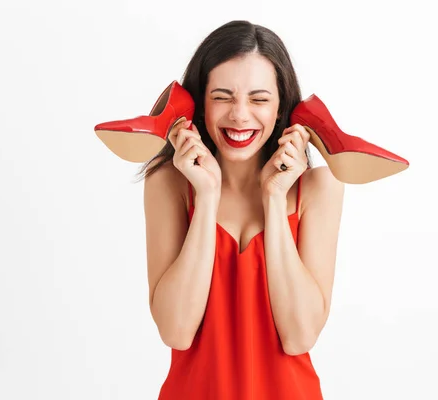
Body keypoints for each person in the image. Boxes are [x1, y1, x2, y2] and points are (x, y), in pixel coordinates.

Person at [138, 20, 344, 399]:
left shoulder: (318, 188)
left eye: (259, 99)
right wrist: (207, 196)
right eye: (222, 96)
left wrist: (274, 197)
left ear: (282, 106)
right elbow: (175, 330)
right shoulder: (168, 185)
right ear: (200, 103)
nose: (240, 115)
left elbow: (299, 336)